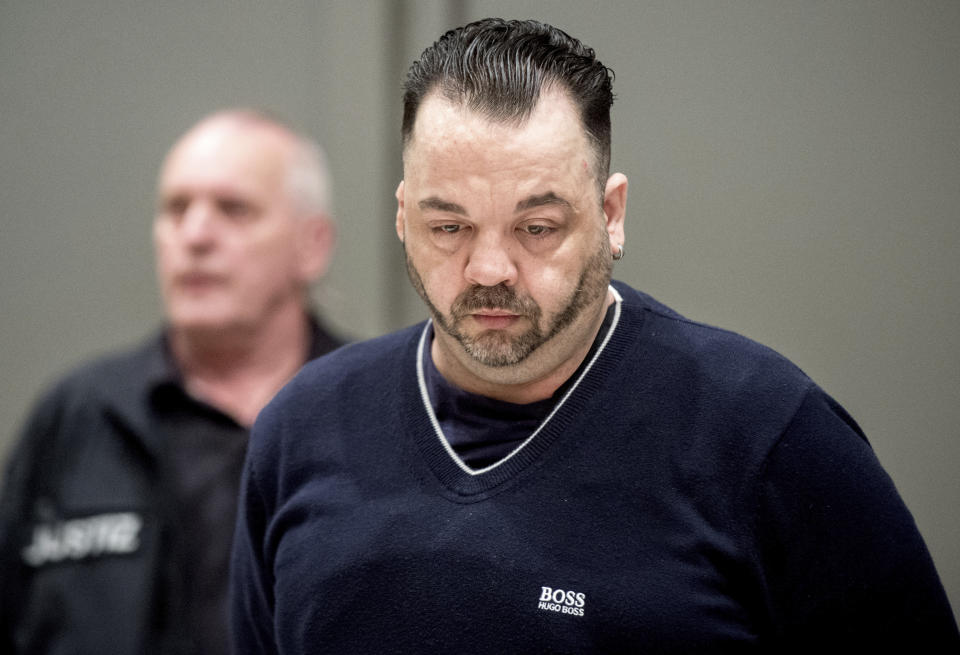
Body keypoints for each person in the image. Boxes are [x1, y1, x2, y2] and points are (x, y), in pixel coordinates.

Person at [230, 19, 959, 654]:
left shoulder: (766, 434)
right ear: (400, 216)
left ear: (611, 215)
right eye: (448, 226)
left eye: (537, 228)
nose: (489, 267)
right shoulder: (302, 430)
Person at [0, 109, 344, 654]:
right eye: (175, 209)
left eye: (234, 209)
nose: (195, 235)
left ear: (312, 245)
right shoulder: (81, 415)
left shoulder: (372, 409)